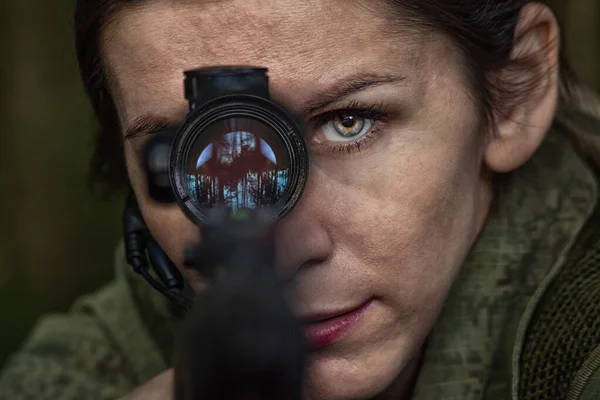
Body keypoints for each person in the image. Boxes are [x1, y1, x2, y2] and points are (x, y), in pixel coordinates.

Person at [1, 0, 600, 399]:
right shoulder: (92, 361)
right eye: (197, 149)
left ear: (514, 96)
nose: (287, 245)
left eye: (348, 123)